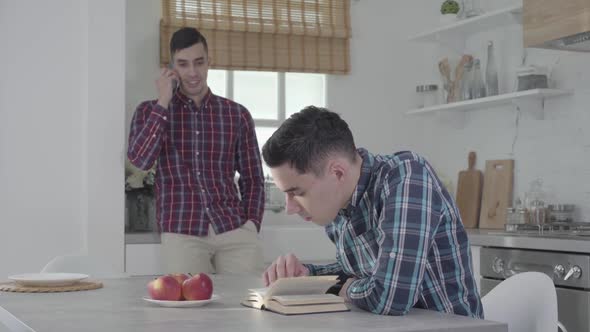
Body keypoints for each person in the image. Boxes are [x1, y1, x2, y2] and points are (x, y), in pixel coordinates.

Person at [261, 106, 483, 317]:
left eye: (297, 192)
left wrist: (347, 290)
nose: (290, 208)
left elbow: (391, 297)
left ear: (337, 173)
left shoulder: (407, 177)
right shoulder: (338, 207)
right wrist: (308, 276)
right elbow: (363, 272)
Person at [127, 27, 265, 275]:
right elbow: (140, 160)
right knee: (191, 313)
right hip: (182, 231)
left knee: (249, 305)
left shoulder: (236, 114)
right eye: (183, 64)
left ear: (209, 62)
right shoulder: (149, 111)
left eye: (199, 63)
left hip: (233, 228)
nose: (192, 72)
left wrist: (252, 223)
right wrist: (163, 102)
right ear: (171, 68)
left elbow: (253, 178)